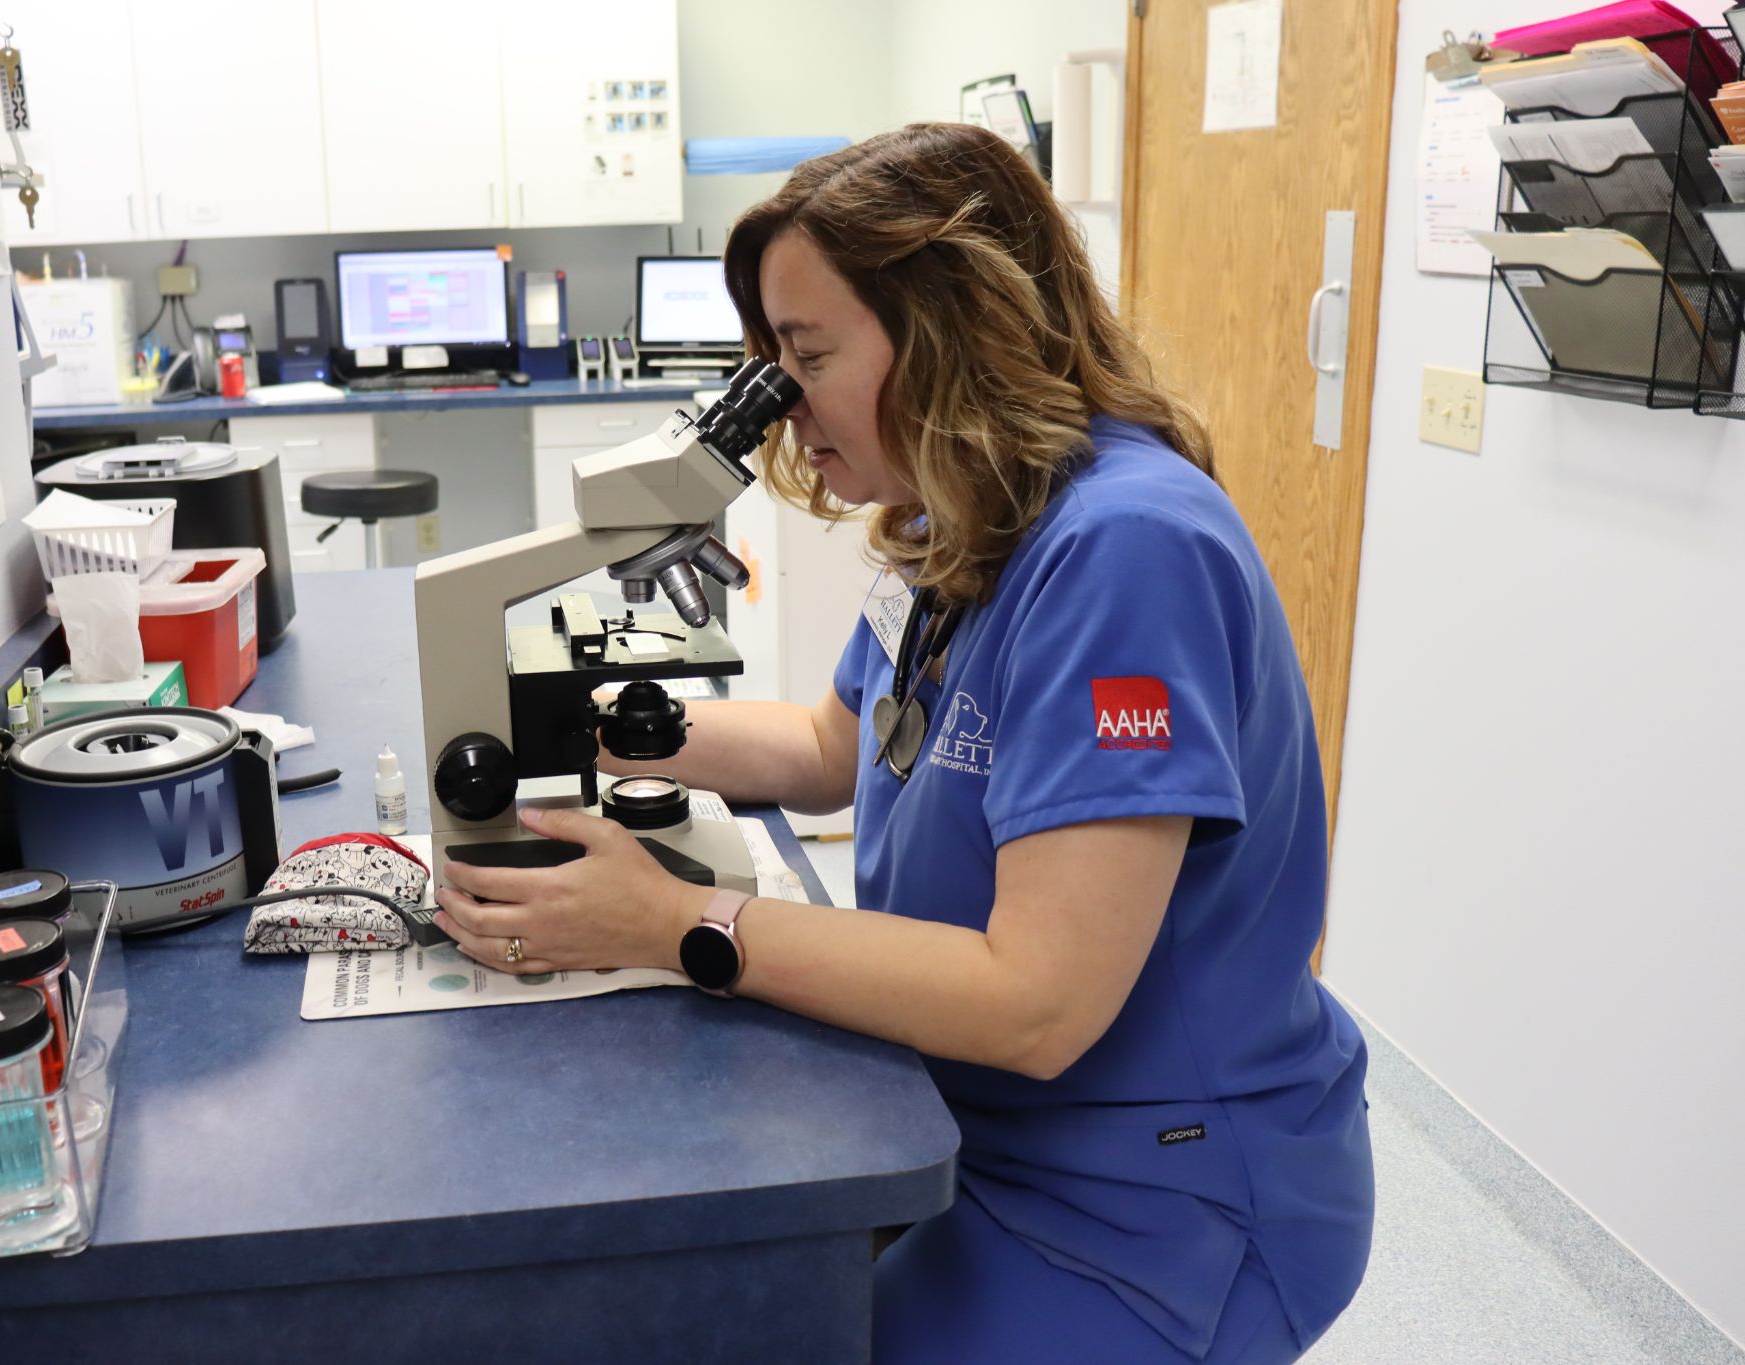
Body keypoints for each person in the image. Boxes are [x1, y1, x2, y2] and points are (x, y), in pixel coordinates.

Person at [433, 122, 1375, 1363]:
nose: (780, 401)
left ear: (948, 334)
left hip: (1155, 1193)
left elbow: (1036, 1005)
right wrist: (601, 730)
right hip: (963, 1127)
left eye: (807, 355)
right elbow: (833, 743)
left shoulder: (1123, 550)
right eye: (769, 358)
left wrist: (673, 926)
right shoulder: (960, 511)